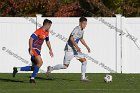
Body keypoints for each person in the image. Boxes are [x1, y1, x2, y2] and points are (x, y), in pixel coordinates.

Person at [13, 19, 54, 83]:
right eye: (50, 25)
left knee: (34, 67)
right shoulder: (38, 31)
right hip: (34, 49)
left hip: (38, 50)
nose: (50, 27)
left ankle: (17, 69)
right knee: (40, 63)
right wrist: (31, 49)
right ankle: (32, 79)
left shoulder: (46, 32)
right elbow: (31, 39)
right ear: (47, 25)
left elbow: (47, 41)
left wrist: (50, 49)